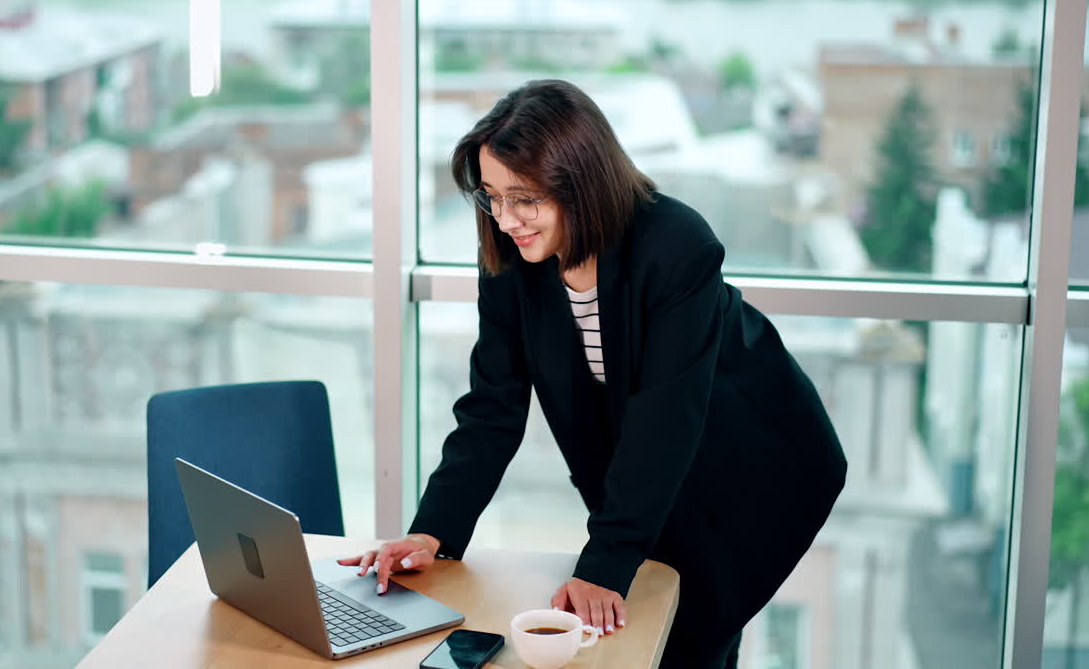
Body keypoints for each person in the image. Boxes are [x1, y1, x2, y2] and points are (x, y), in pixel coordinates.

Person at [339, 79, 847, 669]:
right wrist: (434, 532)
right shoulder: (512, 260)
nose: (506, 220)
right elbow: (491, 410)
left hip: (751, 461)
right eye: (492, 197)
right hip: (651, 469)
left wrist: (604, 564)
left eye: (524, 198)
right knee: (648, 622)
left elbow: (667, 418)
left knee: (691, 637)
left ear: (579, 183)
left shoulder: (677, 245)